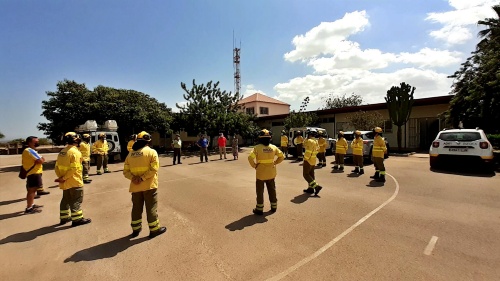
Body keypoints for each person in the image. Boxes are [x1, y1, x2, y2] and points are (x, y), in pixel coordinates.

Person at [123, 131, 167, 238]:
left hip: (135, 186)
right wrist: (142, 178)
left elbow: (126, 172)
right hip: (149, 185)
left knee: (136, 208)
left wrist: (134, 178)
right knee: (151, 208)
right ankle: (154, 230)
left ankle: (136, 229)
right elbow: (154, 168)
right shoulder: (151, 152)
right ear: (148, 140)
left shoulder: (130, 154)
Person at [55, 132, 92, 227]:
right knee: (76, 200)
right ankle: (77, 219)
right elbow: (74, 168)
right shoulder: (75, 152)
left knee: (65, 199)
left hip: (65, 181)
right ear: (75, 140)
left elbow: (57, 166)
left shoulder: (62, 152)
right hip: (74, 181)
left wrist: (61, 177)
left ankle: (64, 218)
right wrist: (64, 178)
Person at [248, 129, 284, 215]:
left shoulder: (257, 148)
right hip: (271, 172)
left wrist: (254, 165)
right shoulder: (274, 147)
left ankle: (259, 209)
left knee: (260, 191)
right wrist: (275, 163)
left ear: (260, 138)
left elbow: (250, 157)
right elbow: (281, 156)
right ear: (269, 138)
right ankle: (274, 206)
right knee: (272, 189)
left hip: (261, 173)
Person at [21, 136, 46, 214]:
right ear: (29, 143)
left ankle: (31, 204)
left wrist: (40, 159)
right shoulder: (30, 150)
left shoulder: (29, 150)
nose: (37, 143)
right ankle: (29, 208)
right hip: (34, 173)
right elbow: (41, 160)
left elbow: (40, 160)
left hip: (33, 173)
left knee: (33, 190)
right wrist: (41, 159)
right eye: (35, 142)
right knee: (32, 190)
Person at [302, 129, 323, 195]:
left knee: (306, 175)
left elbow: (306, 148)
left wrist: (306, 158)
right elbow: (317, 150)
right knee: (311, 175)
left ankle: (316, 186)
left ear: (309, 134)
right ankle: (310, 189)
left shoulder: (309, 141)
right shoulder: (315, 141)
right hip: (313, 160)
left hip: (308, 160)